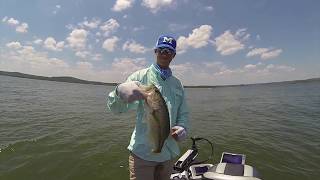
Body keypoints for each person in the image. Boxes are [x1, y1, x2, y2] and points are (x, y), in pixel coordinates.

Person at [107, 35, 189, 180]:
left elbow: (183, 112)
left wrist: (183, 126)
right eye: (161, 50)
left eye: (168, 51)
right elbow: (116, 109)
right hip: (143, 153)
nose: (164, 53)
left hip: (169, 153)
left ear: (174, 55)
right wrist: (118, 92)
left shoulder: (178, 84)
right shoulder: (139, 76)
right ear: (155, 51)